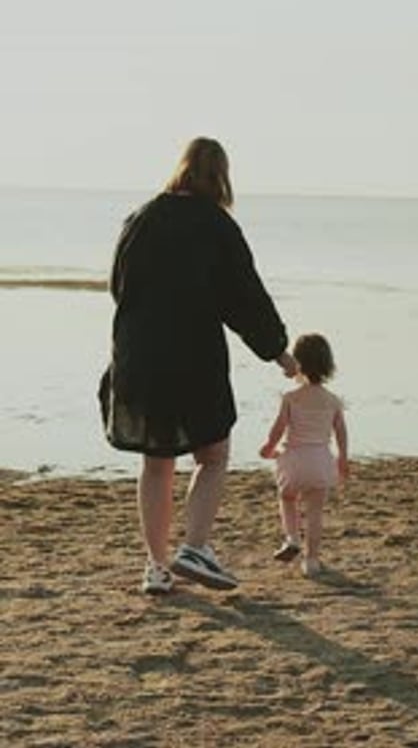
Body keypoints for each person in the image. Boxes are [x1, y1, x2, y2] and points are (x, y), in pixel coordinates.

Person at [98, 138, 296, 595]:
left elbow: (118, 285)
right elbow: (244, 297)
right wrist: (278, 350)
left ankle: (156, 568)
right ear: (220, 177)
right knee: (212, 453)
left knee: (156, 460)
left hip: (139, 354)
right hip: (193, 354)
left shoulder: (141, 218)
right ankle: (196, 547)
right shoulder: (217, 225)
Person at [260, 332, 348, 577]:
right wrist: (342, 458)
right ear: (328, 364)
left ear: (297, 363)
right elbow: (341, 432)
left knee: (287, 498)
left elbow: (278, 429)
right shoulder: (332, 401)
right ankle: (311, 561)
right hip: (321, 460)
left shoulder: (291, 398)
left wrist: (268, 447)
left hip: (294, 459)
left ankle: (291, 537)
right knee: (315, 512)